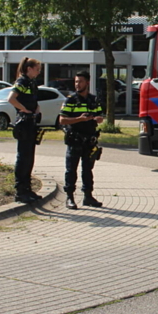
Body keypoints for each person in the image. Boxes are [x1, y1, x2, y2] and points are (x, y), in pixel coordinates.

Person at [59, 71, 105, 210]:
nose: (77, 84)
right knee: (71, 170)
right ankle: (70, 198)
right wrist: (80, 118)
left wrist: (98, 119)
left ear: (87, 83)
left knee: (88, 170)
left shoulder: (93, 99)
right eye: (76, 82)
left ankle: (88, 197)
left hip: (89, 140)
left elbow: (99, 115)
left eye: (80, 81)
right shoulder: (70, 100)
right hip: (75, 140)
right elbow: (62, 120)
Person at [8, 57, 42, 204]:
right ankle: (20, 191)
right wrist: (24, 110)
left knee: (29, 157)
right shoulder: (21, 81)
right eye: (37, 69)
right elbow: (11, 99)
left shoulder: (32, 83)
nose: (38, 72)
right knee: (23, 157)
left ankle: (27, 188)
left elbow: (33, 99)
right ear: (29, 68)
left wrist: (36, 108)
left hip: (32, 122)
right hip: (24, 122)